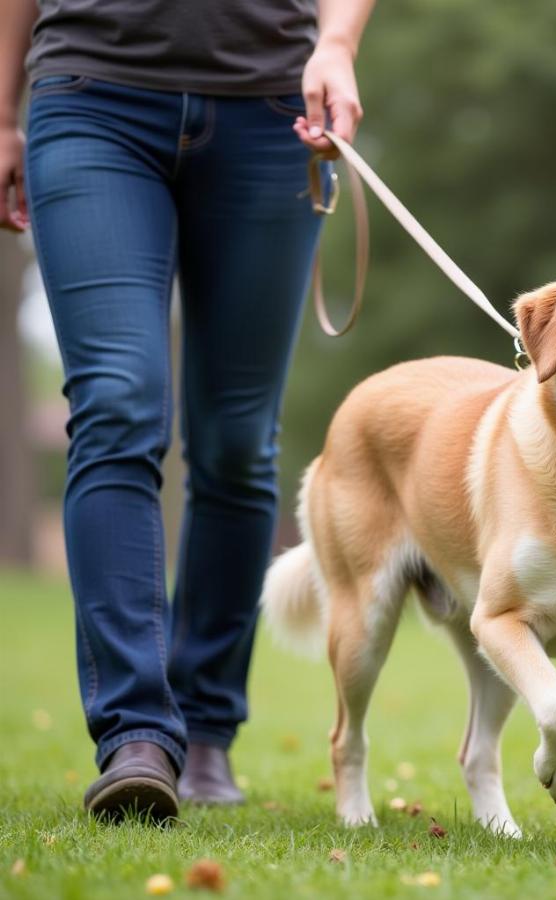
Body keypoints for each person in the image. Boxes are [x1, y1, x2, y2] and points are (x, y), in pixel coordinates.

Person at [0, 0, 374, 821]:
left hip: (272, 109)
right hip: (91, 96)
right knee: (119, 402)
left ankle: (206, 727)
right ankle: (137, 733)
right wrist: (1, 114)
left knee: (238, 442)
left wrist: (338, 41)